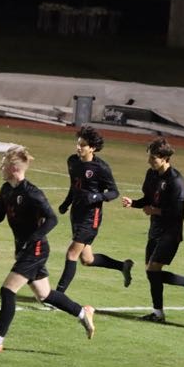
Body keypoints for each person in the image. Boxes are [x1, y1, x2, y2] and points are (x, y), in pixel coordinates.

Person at [0, 145, 96, 353]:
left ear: (13, 168)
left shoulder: (32, 193)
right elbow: (0, 214)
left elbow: (52, 219)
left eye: (3, 164)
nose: (0, 167)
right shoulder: (6, 189)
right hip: (24, 249)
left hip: (36, 250)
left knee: (7, 290)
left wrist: (32, 239)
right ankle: (84, 313)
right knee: (45, 294)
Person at [122, 137, 184, 322]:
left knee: (153, 269)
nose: (150, 161)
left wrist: (154, 210)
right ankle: (164, 307)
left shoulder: (177, 182)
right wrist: (133, 203)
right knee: (151, 273)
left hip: (171, 232)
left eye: (154, 158)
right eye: (150, 157)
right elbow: (147, 199)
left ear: (165, 158)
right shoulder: (152, 174)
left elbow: (177, 212)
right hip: (155, 229)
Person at [55, 125, 133, 292]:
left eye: (83, 145)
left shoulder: (101, 168)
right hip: (76, 213)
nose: (78, 147)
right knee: (87, 259)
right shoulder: (72, 161)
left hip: (91, 217)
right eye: (78, 143)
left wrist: (96, 197)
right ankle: (122, 266)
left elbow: (114, 192)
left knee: (71, 254)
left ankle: (57, 296)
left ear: (92, 148)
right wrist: (66, 203)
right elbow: (74, 186)